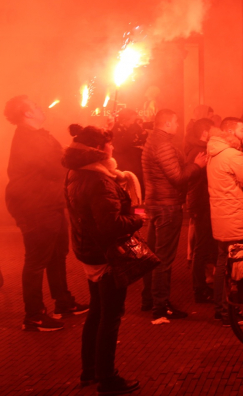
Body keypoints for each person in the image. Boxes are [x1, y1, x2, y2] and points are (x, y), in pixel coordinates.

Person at [62, 124, 143, 395]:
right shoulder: (98, 179)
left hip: (89, 252)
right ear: (98, 150)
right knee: (110, 317)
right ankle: (108, 378)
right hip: (105, 255)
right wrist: (138, 219)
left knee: (97, 313)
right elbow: (110, 224)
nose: (113, 148)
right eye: (109, 144)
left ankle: (89, 371)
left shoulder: (77, 172)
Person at [4, 95, 86, 331]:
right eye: (36, 105)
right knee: (36, 261)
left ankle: (63, 302)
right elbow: (57, 165)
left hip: (50, 203)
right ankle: (34, 314)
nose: (41, 107)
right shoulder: (29, 139)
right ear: (27, 114)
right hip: (35, 206)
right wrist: (85, 149)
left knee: (57, 254)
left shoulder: (38, 135)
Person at [141, 109, 207, 321]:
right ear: (167, 124)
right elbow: (177, 178)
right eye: (176, 122)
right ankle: (160, 306)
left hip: (155, 203)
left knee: (152, 256)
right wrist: (196, 166)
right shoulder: (163, 145)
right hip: (167, 206)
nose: (178, 126)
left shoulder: (153, 142)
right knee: (163, 259)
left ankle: (149, 299)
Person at [207, 117, 243, 325]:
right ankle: (228, 312)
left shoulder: (215, 153)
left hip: (222, 216)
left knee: (223, 262)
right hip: (235, 216)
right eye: (241, 130)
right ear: (230, 131)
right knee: (232, 266)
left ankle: (221, 309)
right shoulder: (233, 155)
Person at [184, 117, 215, 303]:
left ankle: (201, 285)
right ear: (205, 133)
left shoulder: (196, 148)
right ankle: (199, 288)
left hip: (199, 202)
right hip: (201, 203)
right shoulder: (200, 152)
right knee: (201, 246)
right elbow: (199, 179)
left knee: (202, 245)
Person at [112, 109, 147, 198]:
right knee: (129, 194)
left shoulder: (129, 129)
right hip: (127, 169)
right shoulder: (117, 131)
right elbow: (119, 148)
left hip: (135, 166)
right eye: (132, 121)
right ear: (124, 121)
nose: (133, 123)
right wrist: (131, 134)